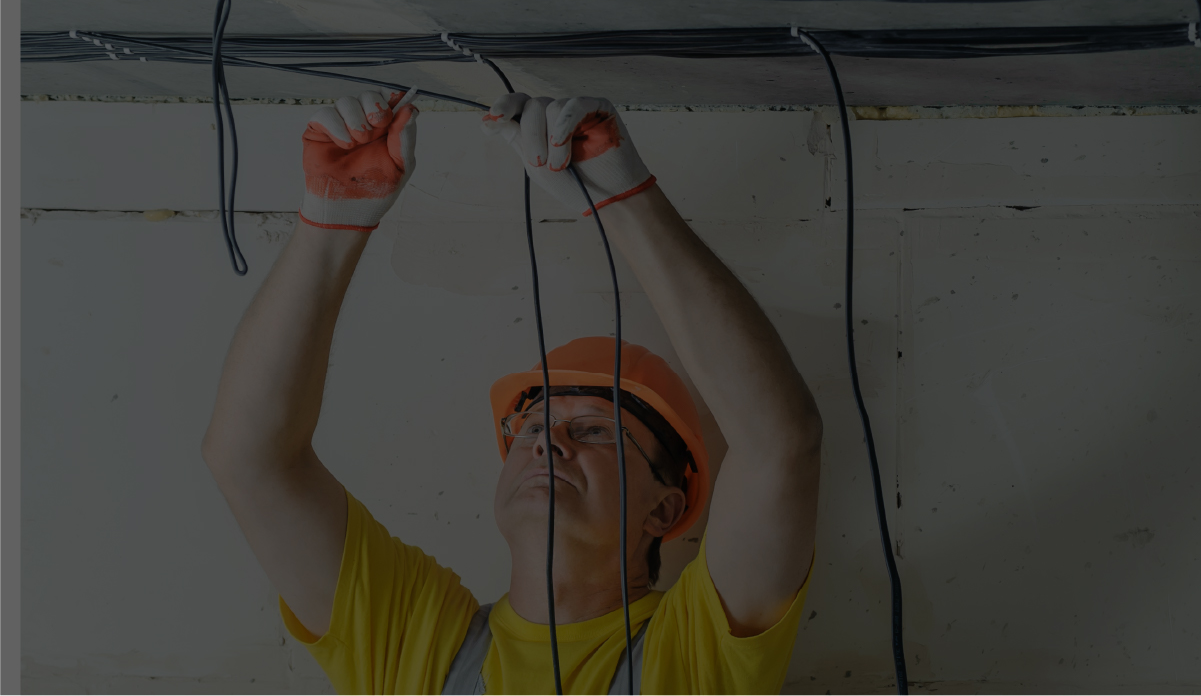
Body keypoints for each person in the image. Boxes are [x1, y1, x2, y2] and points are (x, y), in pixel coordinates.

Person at [202, 90, 823, 693]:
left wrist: (626, 198)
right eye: (530, 428)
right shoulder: (416, 640)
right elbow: (250, 459)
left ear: (663, 509)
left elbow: (780, 444)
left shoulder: (693, 655)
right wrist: (329, 223)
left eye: (594, 430)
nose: (548, 444)